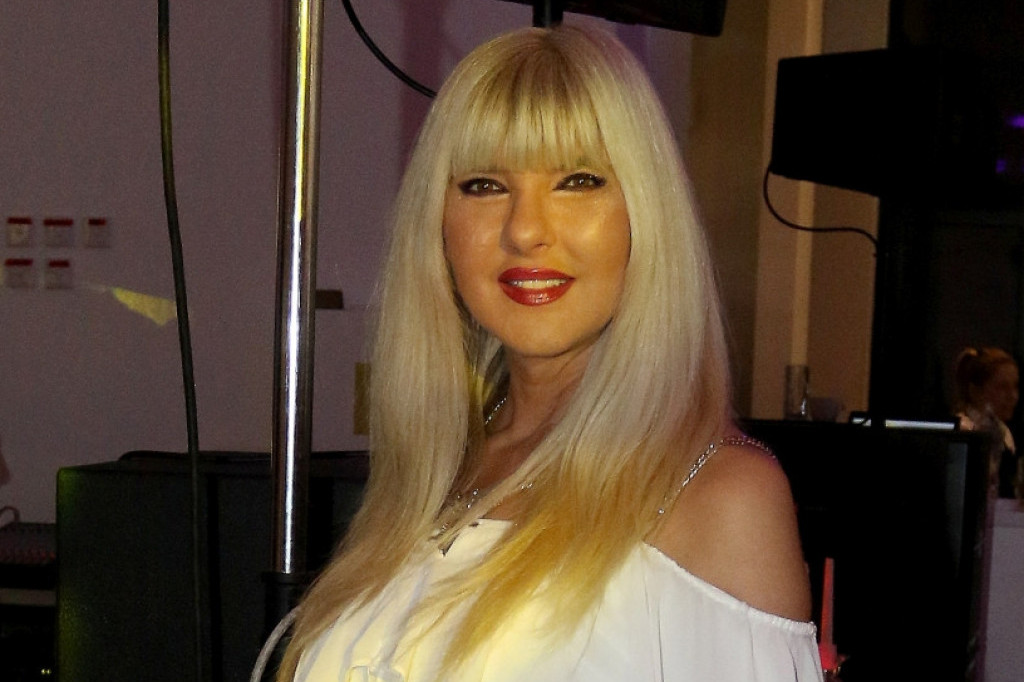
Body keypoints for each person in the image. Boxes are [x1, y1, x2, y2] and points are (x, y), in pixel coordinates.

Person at [275, 24, 822, 681]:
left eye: (578, 181)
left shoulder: (720, 496)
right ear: (438, 224)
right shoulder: (434, 474)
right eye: (484, 185)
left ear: (644, 213)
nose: (525, 229)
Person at [954, 346, 1021, 499]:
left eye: (1015, 386)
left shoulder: (1004, 433)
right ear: (976, 391)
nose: (1013, 396)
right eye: (1002, 387)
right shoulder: (962, 432)